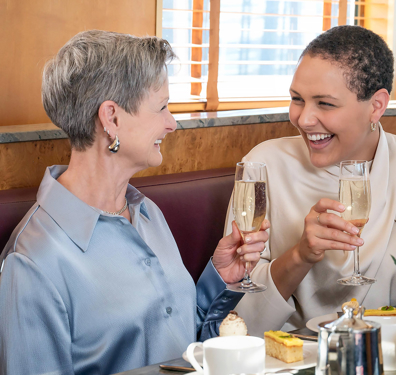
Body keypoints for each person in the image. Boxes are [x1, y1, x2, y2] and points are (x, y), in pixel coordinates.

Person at [0, 30, 268, 375]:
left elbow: (185, 350)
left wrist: (220, 278)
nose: (172, 123)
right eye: (161, 107)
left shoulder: (146, 212)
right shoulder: (32, 264)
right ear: (111, 118)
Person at [224, 25, 396, 335]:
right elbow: (237, 320)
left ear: (376, 106)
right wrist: (300, 255)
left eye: (325, 103)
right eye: (297, 99)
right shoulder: (263, 166)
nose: (305, 119)